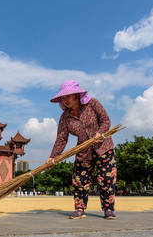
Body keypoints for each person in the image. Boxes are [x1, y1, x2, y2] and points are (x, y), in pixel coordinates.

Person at [46, 80, 117, 220]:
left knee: (106, 180)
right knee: (79, 180)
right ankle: (80, 209)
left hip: (104, 148)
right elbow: (61, 139)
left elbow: (105, 120)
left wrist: (100, 133)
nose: (65, 100)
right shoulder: (65, 118)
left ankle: (108, 209)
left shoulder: (93, 104)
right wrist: (52, 157)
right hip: (84, 151)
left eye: (68, 96)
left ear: (77, 95)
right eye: (63, 97)